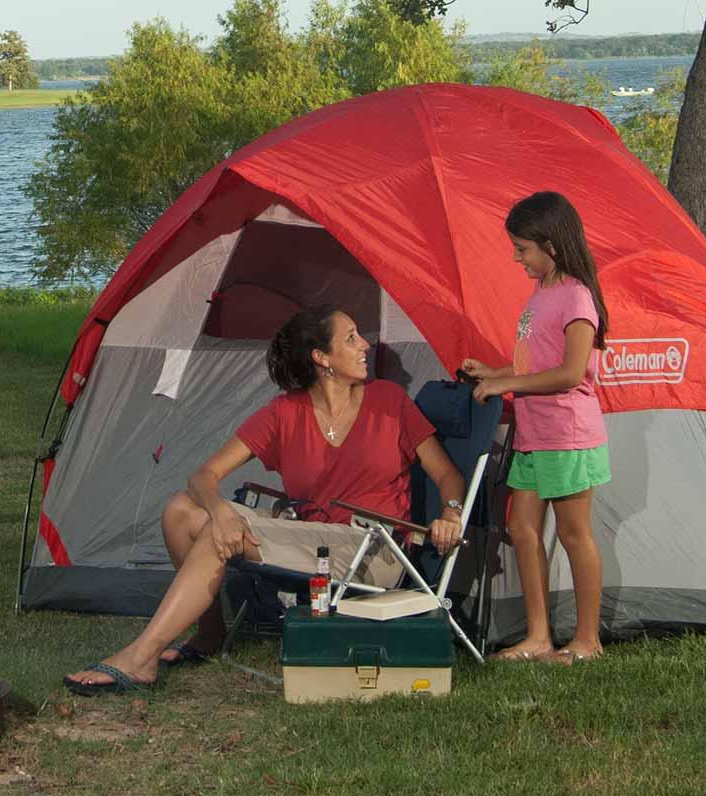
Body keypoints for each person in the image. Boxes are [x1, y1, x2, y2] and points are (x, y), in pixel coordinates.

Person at [64, 305, 467, 695]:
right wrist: (220, 511)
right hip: (312, 538)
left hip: (371, 551)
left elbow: (447, 474)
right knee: (180, 512)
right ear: (321, 358)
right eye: (351, 338)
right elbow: (203, 475)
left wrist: (451, 512)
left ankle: (141, 657)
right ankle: (208, 634)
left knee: (223, 532)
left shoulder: (389, 401)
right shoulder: (285, 412)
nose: (366, 344)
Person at [461, 190, 612, 665]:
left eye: (522, 248)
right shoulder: (541, 293)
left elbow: (569, 373)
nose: (516, 257)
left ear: (551, 245)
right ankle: (539, 637)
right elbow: (534, 364)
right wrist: (494, 372)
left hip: (567, 436)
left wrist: (508, 383)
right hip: (533, 436)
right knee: (522, 528)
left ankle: (587, 641)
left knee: (573, 533)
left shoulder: (577, 297)